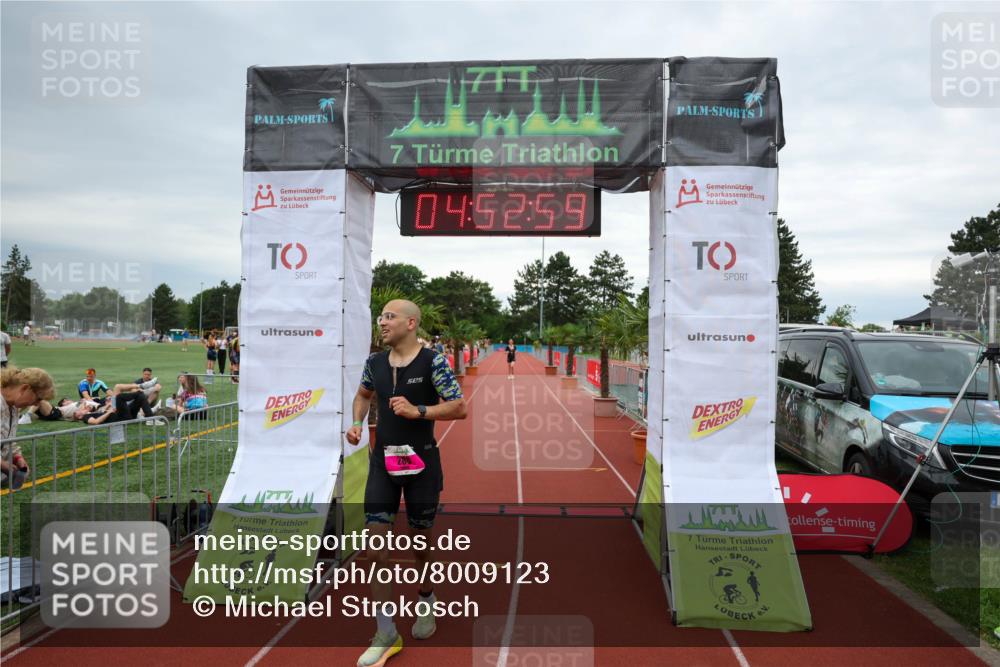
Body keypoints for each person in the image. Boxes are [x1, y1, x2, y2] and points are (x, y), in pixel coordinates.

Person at [346, 299, 467, 667]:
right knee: (375, 547)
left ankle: (427, 598)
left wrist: (420, 411)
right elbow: (363, 396)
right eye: (381, 316)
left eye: (389, 316)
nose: (382, 322)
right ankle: (386, 632)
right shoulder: (374, 363)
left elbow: (459, 406)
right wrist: (356, 422)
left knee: (421, 545)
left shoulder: (433, 362)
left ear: (411, 323)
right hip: (383, 462)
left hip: (422, 464)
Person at [1, 366, 55, 489]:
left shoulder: (13, 408)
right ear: (25, 388)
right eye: (38, 398)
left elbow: (6, 439)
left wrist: (17, 457)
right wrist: (2, 465)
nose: (37, 404)